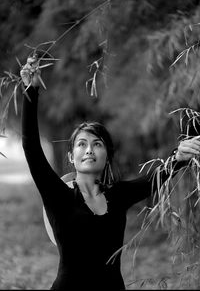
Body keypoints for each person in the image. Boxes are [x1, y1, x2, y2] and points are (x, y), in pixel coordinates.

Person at [20, 56, 200, 290]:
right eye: (81, 144)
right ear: (70, 157)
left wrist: (180, 157)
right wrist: (30, 91)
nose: (89, 150)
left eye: (97, 144)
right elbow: (31, 146)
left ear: (106, 156)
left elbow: (155, 177)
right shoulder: (58, 196)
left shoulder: (117, 196)